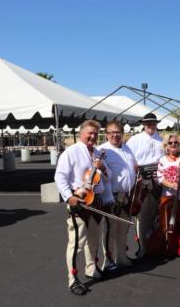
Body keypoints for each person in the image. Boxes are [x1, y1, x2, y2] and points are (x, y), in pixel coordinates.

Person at [54, 120, 113, 296]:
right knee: (77, 243)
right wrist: (69, 197)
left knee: (93, 239)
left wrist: (103, 168)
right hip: (79, 200)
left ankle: (91, 268)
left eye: (95, 134)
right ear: (82, 133)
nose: (93, 137)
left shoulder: (97, 153)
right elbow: (60, 176)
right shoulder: (71, 152)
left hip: (96, 201)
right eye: (90, 133)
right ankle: (72, 279)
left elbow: (108, 177)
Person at [148, 135, 180, 258]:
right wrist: (172, 185)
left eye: (176, 142)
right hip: (168, 197)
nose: (173, 144)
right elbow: (160, 179)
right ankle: (171, 247)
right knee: (170, 223)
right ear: (166, 146)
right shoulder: (162, 160)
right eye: (170, 143)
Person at [98, 120, 137, 270]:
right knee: (110, 230)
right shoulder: (102, 151)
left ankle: (121, 257)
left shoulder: (127, 148)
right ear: (107, 134)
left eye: (118, 132)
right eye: (112, 132)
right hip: (111, 196)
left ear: (122, 133)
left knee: (123, 229)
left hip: (126, 195)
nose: (115, 135)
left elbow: (133, 166)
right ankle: (108, 262)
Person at [126, 113, 165, 258]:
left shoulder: (161, 139)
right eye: (148, 123)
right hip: (142, 181)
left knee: (156, 214)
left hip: (158, 180)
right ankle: (142, 246)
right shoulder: (135, 140)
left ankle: (153, 244)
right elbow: (129, 160)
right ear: (143, 124)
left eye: (153, 123)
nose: (150, 125)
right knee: (141, 216)